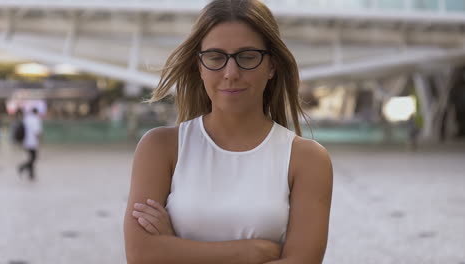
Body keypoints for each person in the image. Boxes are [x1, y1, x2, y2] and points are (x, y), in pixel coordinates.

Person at [124, 0, 333, 263]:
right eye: (215, 57)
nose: (230, 73)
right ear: (199, 66)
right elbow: (141, 255)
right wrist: (250, 252)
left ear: (272, 66)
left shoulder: (307, 160)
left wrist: (175, 247)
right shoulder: (160, 148)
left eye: (247, 57)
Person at [18, 107, 42, 180]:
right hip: (33, 142)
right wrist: (39, 142)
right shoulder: (36, 120)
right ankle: (22, 167)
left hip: (25, 141)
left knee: (31, 157)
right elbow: (37, 132)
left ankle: (31, 174)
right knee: (33, 158)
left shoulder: (27, 119)